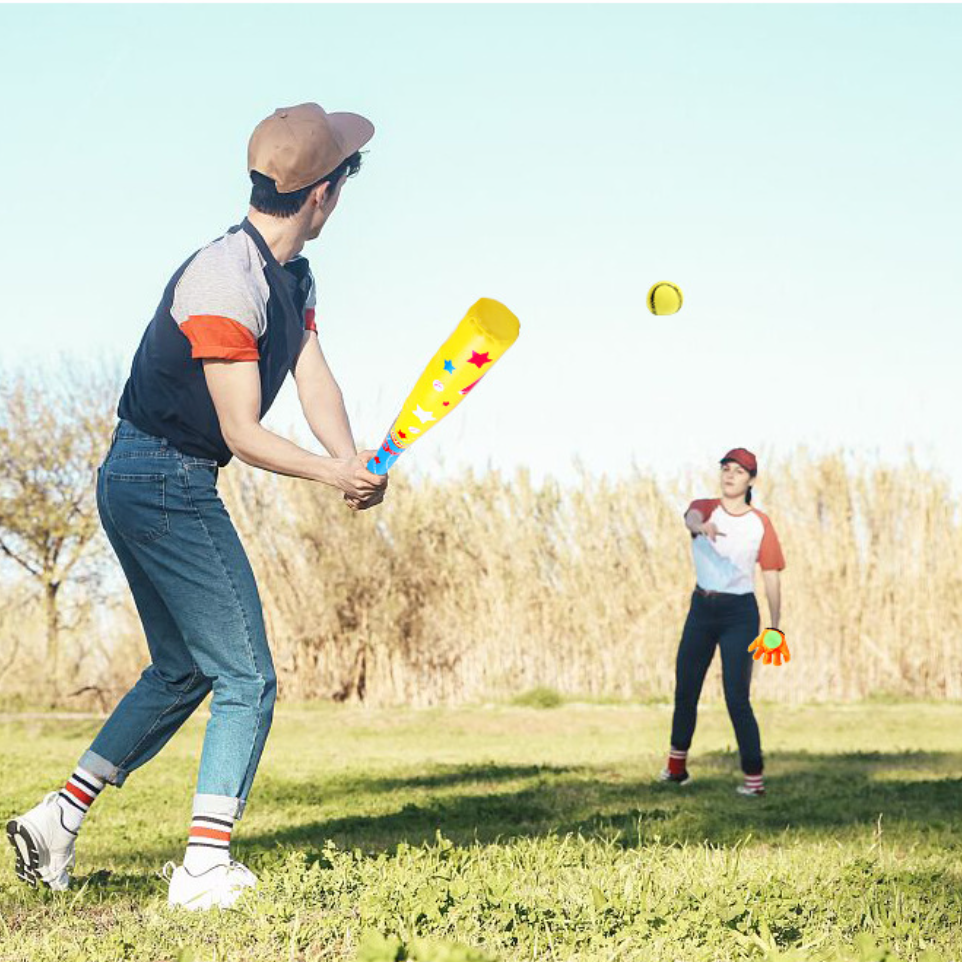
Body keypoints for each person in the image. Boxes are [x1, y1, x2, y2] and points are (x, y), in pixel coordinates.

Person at [5, 103, 388, 909]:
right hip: (161, 478)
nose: (347, 190)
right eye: (347, 176)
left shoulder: (291, 278)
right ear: (323, 194)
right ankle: (205, 868)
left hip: (154, 478)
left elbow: (312, 375)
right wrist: (330, 476)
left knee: (182, 671)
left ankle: (55, 822)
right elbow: (243, 432)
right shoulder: (225, 277)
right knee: (247, 675)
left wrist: (350, 458)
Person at [659, 448, 785, 797]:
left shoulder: (761, 523)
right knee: (686, 689)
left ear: (751, 480)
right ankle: (676, 768)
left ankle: (754, 780)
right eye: (726, 469)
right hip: (701, 609)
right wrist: (701, 527)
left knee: (736, 696)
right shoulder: (704, 506)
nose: (730, 475)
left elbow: (771, 575)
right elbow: (690, 519)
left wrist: (775, 627)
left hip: (740, 615)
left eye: (739, 471)